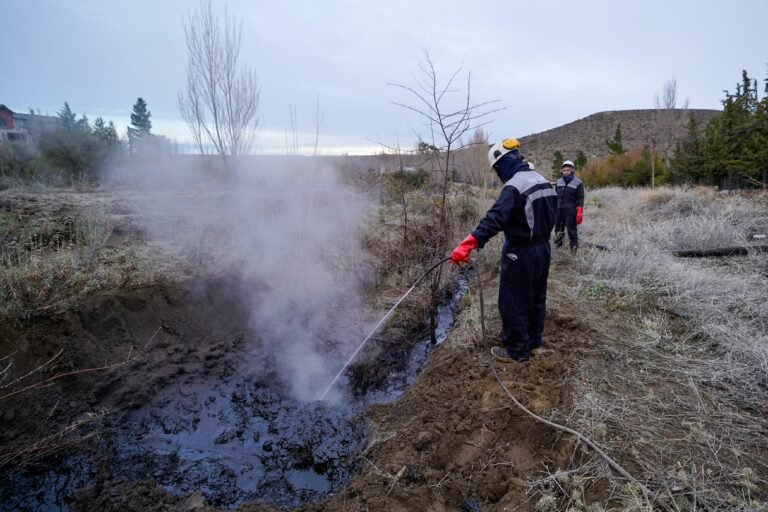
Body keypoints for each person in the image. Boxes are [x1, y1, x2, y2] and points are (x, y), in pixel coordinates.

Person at [450, 138, 557, 363]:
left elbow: (495, 218)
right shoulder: (541, 179)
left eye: (497, 169)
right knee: (537, 297)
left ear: (503, 163)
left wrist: (469, 243)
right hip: (543, 249)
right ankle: (534, 342)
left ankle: (517, 351)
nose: (498, 174)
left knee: (513, 301)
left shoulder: (514, 186)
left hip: (520, 253)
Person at [554, 160, 585, 253]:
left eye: (568, 170)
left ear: (572, 170)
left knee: (572, 231)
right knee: (558, 230)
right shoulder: (558, 182)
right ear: (562, 171)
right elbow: (556, 194)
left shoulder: (578, 182)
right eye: (564, 170)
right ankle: (559, 248)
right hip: (559, 210)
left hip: (570, 210)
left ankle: (574, 251)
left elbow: (580, 198)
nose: (566, 172)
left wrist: (580, 211)